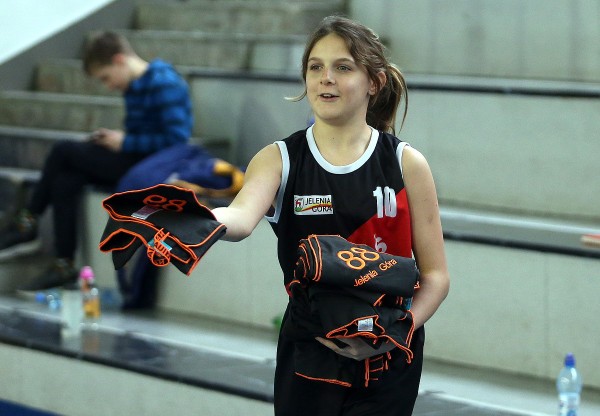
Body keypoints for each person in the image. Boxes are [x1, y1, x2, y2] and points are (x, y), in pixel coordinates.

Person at [211, 15, 450, 416]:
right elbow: (240, 216)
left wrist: (395, 333)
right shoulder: (278, 158)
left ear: (374, 82)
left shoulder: (406, 163)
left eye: (343, 67)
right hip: (310, 348)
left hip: (388, 351)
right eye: (315, 67)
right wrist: (202, 220)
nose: (326, 78)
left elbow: (437, 277)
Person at [0, 31, 193, 291]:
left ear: (119, 60)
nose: (108, 86)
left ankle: (28, 221)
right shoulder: (135, 85)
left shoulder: (164, 83)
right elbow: (146, 132)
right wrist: (117, 139)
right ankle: (64, 263)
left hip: (153, 166)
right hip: (136, 159)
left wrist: (126, 142)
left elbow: (176, 142)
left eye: (106, 77)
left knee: (63, 150)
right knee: (66, 179)